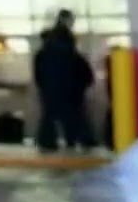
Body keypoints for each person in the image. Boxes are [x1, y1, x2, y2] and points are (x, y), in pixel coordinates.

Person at [32, 9, 97, 152]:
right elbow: (81, 69)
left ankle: (48, 143)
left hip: (51, 88)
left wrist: (43, 86)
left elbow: (38, 74)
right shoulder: (69, 50)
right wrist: (83, 84)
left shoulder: (43, 53)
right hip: (69, 88)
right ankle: (77, 141)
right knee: (75, 116)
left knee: (50, 116)